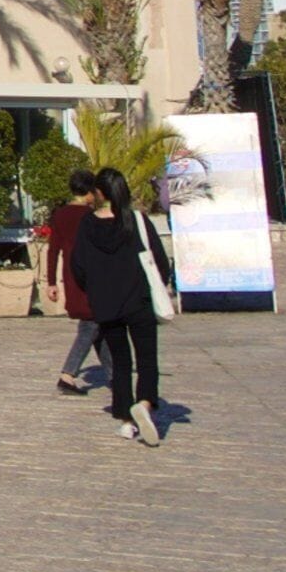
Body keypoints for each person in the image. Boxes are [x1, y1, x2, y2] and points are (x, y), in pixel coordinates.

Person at [68, 165, 173, 445]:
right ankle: (146, 403)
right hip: (138, 300)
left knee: (120, 362)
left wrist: (93, 289)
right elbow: (160, 261)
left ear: (98, 192)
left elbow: (78, 265)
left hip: (106, 303)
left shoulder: (88, 225)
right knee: (147, 358)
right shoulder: (136, 221)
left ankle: (127, 420)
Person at [40, 169, 103, 393]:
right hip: (91, 276)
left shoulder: (60, 214)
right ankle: (67, 374)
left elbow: (53, 249)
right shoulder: (90, 217)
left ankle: (115, 374)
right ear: (89, 192)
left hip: (70, 275)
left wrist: (51, 281)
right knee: (91, 322)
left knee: (97, 323)